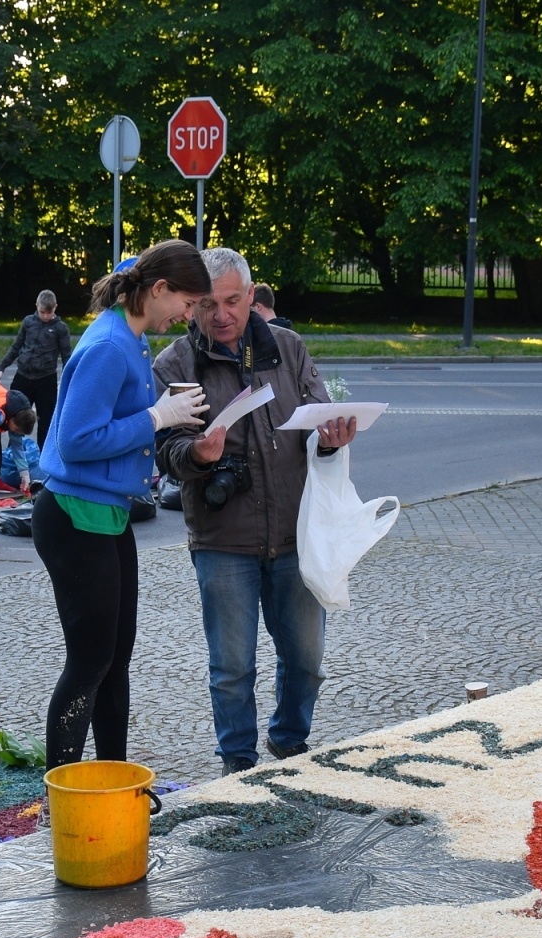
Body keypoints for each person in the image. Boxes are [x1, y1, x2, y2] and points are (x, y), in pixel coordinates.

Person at [153, 248, 357, 775]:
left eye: (233, 301)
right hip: (224, 539)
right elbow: (165, 454)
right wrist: (196, 455)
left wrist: (332, 440)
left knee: (307, 661)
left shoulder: (288, 349)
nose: (221, 315)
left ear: (250, 297)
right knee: (231, 666)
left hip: (295, 532)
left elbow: (318, 422)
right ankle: (237, 763)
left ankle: (289, 740)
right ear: (193, 305)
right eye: (208, 304)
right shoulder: (176, 364)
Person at [31, 240, 211, 770]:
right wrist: (157, 418)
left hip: (107, 515)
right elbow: (76, 441)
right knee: (89, 663)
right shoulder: (111, 345)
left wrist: (161, 419)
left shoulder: (131, 338)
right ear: (159, 289)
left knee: (114, 662)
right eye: (187, 303)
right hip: (73, 517)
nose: (188, 317)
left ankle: (115, 782)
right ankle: (63, 792)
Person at [0, 289, 71, 449]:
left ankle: (43, 456)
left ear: (55, 308)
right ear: (36, 306)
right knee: (16, 417)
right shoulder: (28, 322)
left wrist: (69, 378)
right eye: (42, 312)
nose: (45, 316)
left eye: (49, 312)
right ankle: (12, 452)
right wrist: (2, 366)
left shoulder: (60, 328)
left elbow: (67, 356)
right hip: (23, 377)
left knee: (45, 420)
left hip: (46, 379)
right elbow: (17, 346)